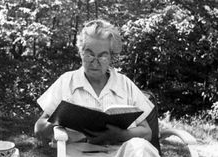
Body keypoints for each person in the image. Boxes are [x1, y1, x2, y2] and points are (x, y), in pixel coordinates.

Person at [34, 19, 160, 157]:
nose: (95, 61)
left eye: (103, 56)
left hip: (118, 152)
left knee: (141, 147)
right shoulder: (67, 81)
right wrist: (74, 130)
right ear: (81, 52)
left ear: (112, 56)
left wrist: (119, 135)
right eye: (89, 54)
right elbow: (39, 128)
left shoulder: (124, 84)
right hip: (79, 153)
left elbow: (147, 133)